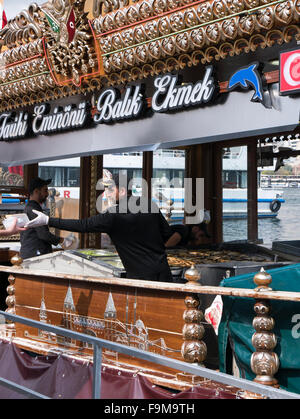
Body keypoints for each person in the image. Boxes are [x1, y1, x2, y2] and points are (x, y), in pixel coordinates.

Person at [25, 173, 174, 282]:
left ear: (122, 191)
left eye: (110, 190)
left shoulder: (113, 215)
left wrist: (48, 220)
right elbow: (167, 233)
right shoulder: (150, 204)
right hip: (163, 271)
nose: (106, 194)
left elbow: (83, 225)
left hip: (139, 278)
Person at [20, 177, 64, 259]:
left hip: (30, 253)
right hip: (35, 256)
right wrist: (62, 241)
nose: (47, 194)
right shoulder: (33, 209)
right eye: (45, 190)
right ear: (36, 191)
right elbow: (43, 234)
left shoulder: (31, 207)